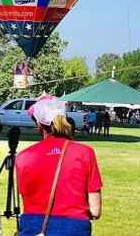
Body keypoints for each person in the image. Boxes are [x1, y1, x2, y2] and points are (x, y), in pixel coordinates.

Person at [16, 98, 102, 235]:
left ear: (39, 124)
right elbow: (95, 210)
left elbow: (25, 197)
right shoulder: (85, 153)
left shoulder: (24, 156)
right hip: (74, 226)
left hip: (34, 226)